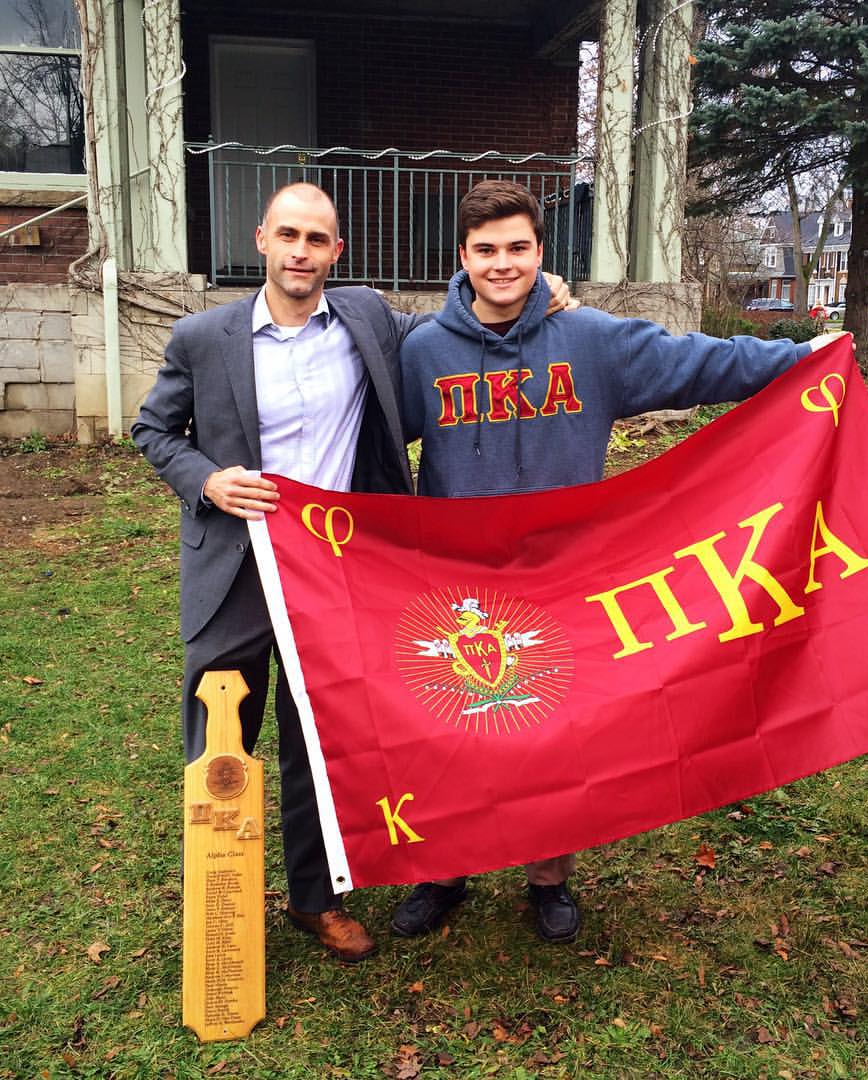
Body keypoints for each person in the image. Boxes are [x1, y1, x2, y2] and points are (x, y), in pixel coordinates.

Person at [391, 179, 846, 945]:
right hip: (459, 584)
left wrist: (803, 355)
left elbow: (702, 363)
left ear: (541, 252)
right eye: (486, 251)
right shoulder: (424, 352)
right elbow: (360, 426)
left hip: (565, 577)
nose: (502, 265)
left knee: (555, 734)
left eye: (518, 249)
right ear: (461, 257)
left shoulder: (591, 341)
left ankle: (548, 877)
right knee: (453, 731)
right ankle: (446, 869)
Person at [132, 182, 572, 964]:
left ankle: (313, 899)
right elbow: (154, 430)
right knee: (219, 738)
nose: (302, 251)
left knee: (316, 740)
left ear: (338, 252)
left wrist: (542, 295)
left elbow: (459, 322)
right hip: (235, 567)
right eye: (289, 235)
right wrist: (205, 478)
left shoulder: (368, 319)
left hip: (334, 574)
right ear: (262, 238)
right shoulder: (203, 337)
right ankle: (218, 899)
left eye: (319, 239)